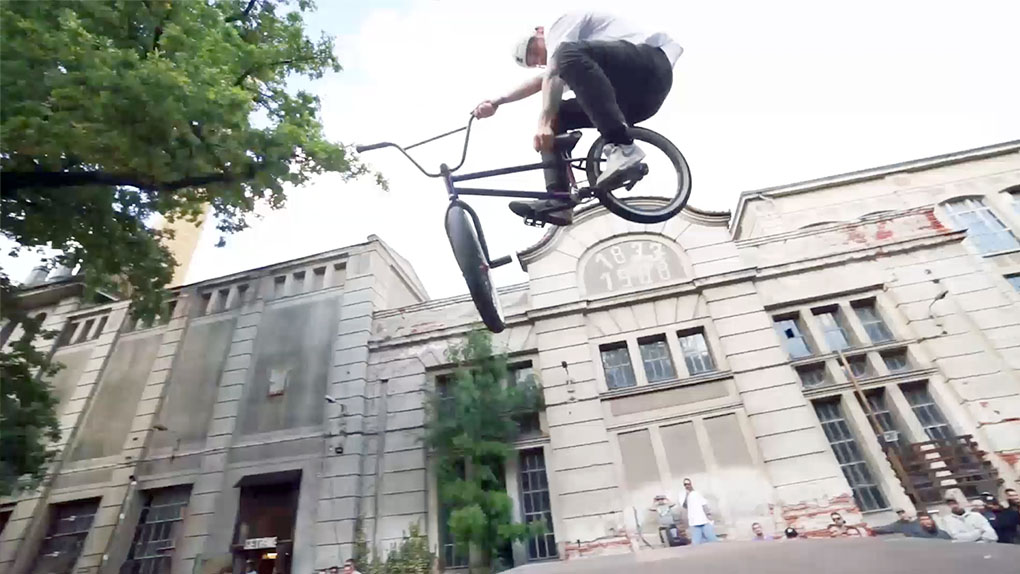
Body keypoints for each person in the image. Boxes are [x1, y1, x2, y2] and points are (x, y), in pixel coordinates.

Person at [472, 11, 683, 226]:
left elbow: (553, 72)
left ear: (540, 32)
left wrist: (543, 123)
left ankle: (623, 148)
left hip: (650, 66)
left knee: (563, 61)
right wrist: (498, 101)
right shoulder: (575, 61)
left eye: (534, 51)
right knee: (558, 115)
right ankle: (560, 202)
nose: (539, 59)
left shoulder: (560, 26)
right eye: (535, 62)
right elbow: (542, 81)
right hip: (636, 103)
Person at [680, 478, 718, 544]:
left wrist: (708, 515)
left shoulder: (697, 493)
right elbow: (684, 506)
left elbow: (704, 504)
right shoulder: (682, 494)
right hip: (694, 522)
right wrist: (687, 495)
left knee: (713, 540)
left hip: (703, 520)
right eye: (685, 484)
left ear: (691, 484)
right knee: (696, 543)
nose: (687, 486)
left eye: (688, 484)